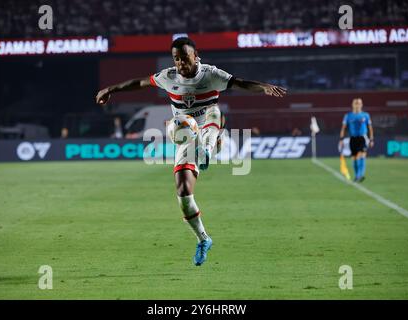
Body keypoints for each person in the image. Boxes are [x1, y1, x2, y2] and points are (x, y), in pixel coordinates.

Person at [96, 37, 286, 266]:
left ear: (196, 56)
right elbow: (140, 83)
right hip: (185, 136)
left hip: (209, 124)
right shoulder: (168, 77)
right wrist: (111, 89)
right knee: (183, 193)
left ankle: (209, 146)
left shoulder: (211, 74)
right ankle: (203, 239)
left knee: (213, 113)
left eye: (184, 58)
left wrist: (264, 87)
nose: (180, 64)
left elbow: (240, 83)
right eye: (176, 59)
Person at [339, 98, 374, 182]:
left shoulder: (365, 115)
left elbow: (370, 128)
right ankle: (357, 175)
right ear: (353, 105)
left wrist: (371, 139)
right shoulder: (348, 116)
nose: (357, 105)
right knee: (354, 158)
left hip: (362, 138)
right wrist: (341, 139)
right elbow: (343, 128)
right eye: (356, 103)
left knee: (362, 155)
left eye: (359, 103)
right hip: (353, 138)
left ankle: (360, 175)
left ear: (361, 105)